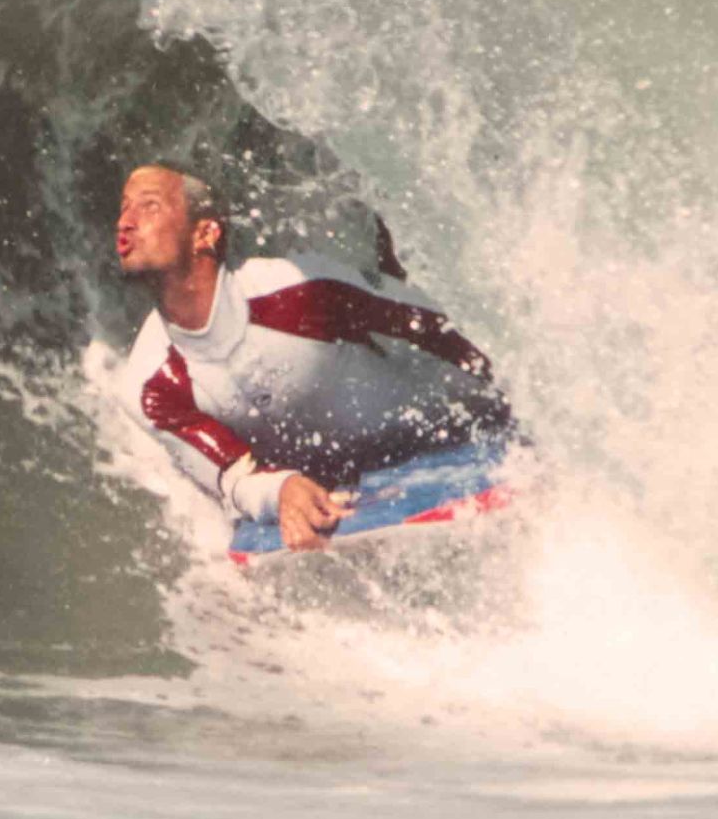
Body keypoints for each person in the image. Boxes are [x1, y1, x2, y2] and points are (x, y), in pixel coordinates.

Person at [108, 163, 511, 551]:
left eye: (149, 206)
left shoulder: (300, 292)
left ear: (205, 233)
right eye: (123, 208)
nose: (125, 222)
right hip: (335, 481)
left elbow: (440, 325)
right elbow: (231, 479)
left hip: (443, 437)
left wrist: (518, 397)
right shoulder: (149, 385)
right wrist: (281, 491)